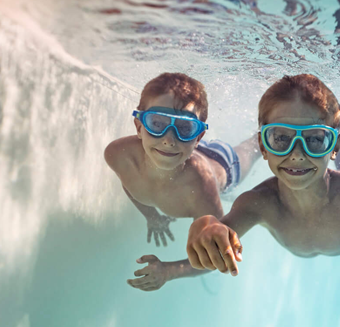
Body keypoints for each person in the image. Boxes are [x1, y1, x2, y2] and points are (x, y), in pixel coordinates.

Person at [177, 73, 340, 289]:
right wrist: (206, 227)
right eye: (281, 138)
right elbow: (212, 245)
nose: (296, 154)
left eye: (315, 140)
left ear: (332, 146)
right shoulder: (258, 202)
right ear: (263, 145)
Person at [104, 72, 260, 251]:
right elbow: (129, 182)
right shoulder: (119, 155)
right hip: (184, 150)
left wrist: (168, 271)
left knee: (250, 148)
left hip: (223, 162)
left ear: (199, 137)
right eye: (157, 124)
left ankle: (263, 135)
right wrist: (151, 217)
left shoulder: (202, 188)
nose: (169, 140)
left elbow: (216, 253)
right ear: (139, 127)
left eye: (185, 127)